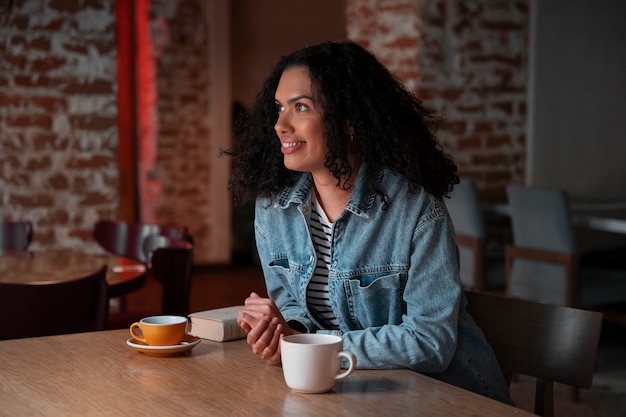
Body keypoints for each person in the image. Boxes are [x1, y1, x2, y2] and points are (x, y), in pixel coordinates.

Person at [226, 40, 512, 405]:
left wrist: (315, 347)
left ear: (348, 122)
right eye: (280, 108)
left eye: (300, 107)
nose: (280, 124)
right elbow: (297, 310)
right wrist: (284, 332)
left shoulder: (415, 210)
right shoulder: (273, 209)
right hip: (356, 392)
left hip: (449, 398)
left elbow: (431, 341)